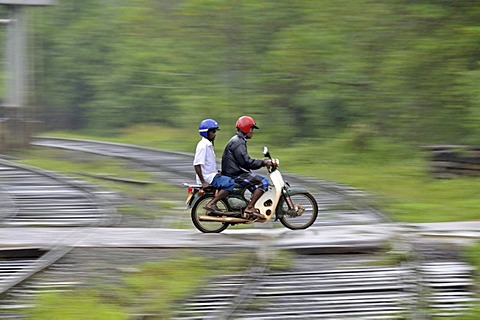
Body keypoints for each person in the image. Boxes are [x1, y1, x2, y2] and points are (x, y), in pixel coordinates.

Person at [221, 115, 272, 218]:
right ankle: (250, 207)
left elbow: (244, 161)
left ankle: (250, 206)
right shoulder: (239, 142)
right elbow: (247, 162)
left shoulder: (238, 140)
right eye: (251, 128)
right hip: (235, 174)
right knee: (264, 182)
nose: (252, 131)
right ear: (246, 128)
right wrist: (263, 163)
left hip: (234, 172)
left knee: (255, 183)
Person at [193, 118, 235, 214]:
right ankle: (212, 203)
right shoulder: (203, 146)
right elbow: (197, 164)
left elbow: (208, 164)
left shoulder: (208, 145)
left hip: (211, 175)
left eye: (215, 131)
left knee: (230, 177)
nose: (214, 134)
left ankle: (216, 206)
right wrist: (203, 182)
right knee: (230, 183)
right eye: (212, 131)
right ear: (205, 132)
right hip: (208, 178)